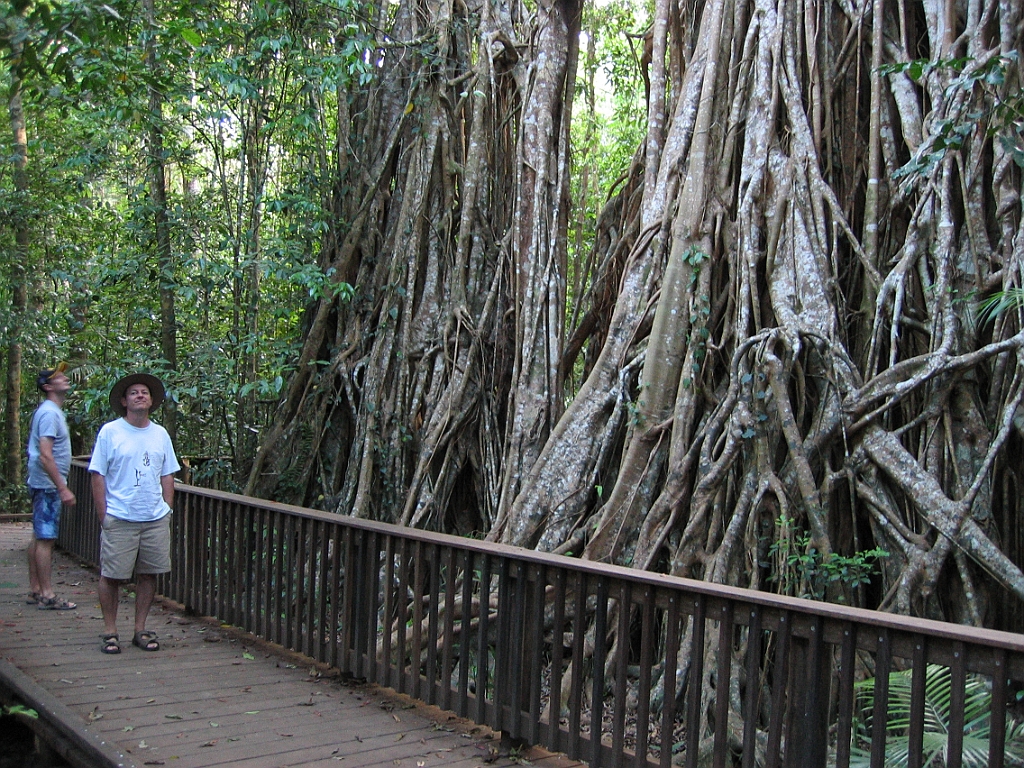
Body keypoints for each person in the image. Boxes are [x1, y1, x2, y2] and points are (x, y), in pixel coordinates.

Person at [88, 373, 180, 655]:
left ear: (152, 401)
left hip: (153, 517)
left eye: (145, 392)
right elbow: (97, 474)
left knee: (149, 574)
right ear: (124, 401)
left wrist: (167, 507)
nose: (140, 395)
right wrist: (104, 515)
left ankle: (140, 629)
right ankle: (110, 631)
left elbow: (168, 473)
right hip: (120, 516)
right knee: (112, 576)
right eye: (134, 393)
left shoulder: (160, 434)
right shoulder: (110, 432)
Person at [26, 363, 78, 610]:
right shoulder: (49, 413)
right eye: (59, 377)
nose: (65, 378)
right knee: (46, 538)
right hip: (47, 484)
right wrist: (62, 487)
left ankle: (36, 588)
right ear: (48, 387)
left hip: (43, 482)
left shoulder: (51, 411)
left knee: (39, 535)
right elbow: (46, 454)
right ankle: (47, 594)